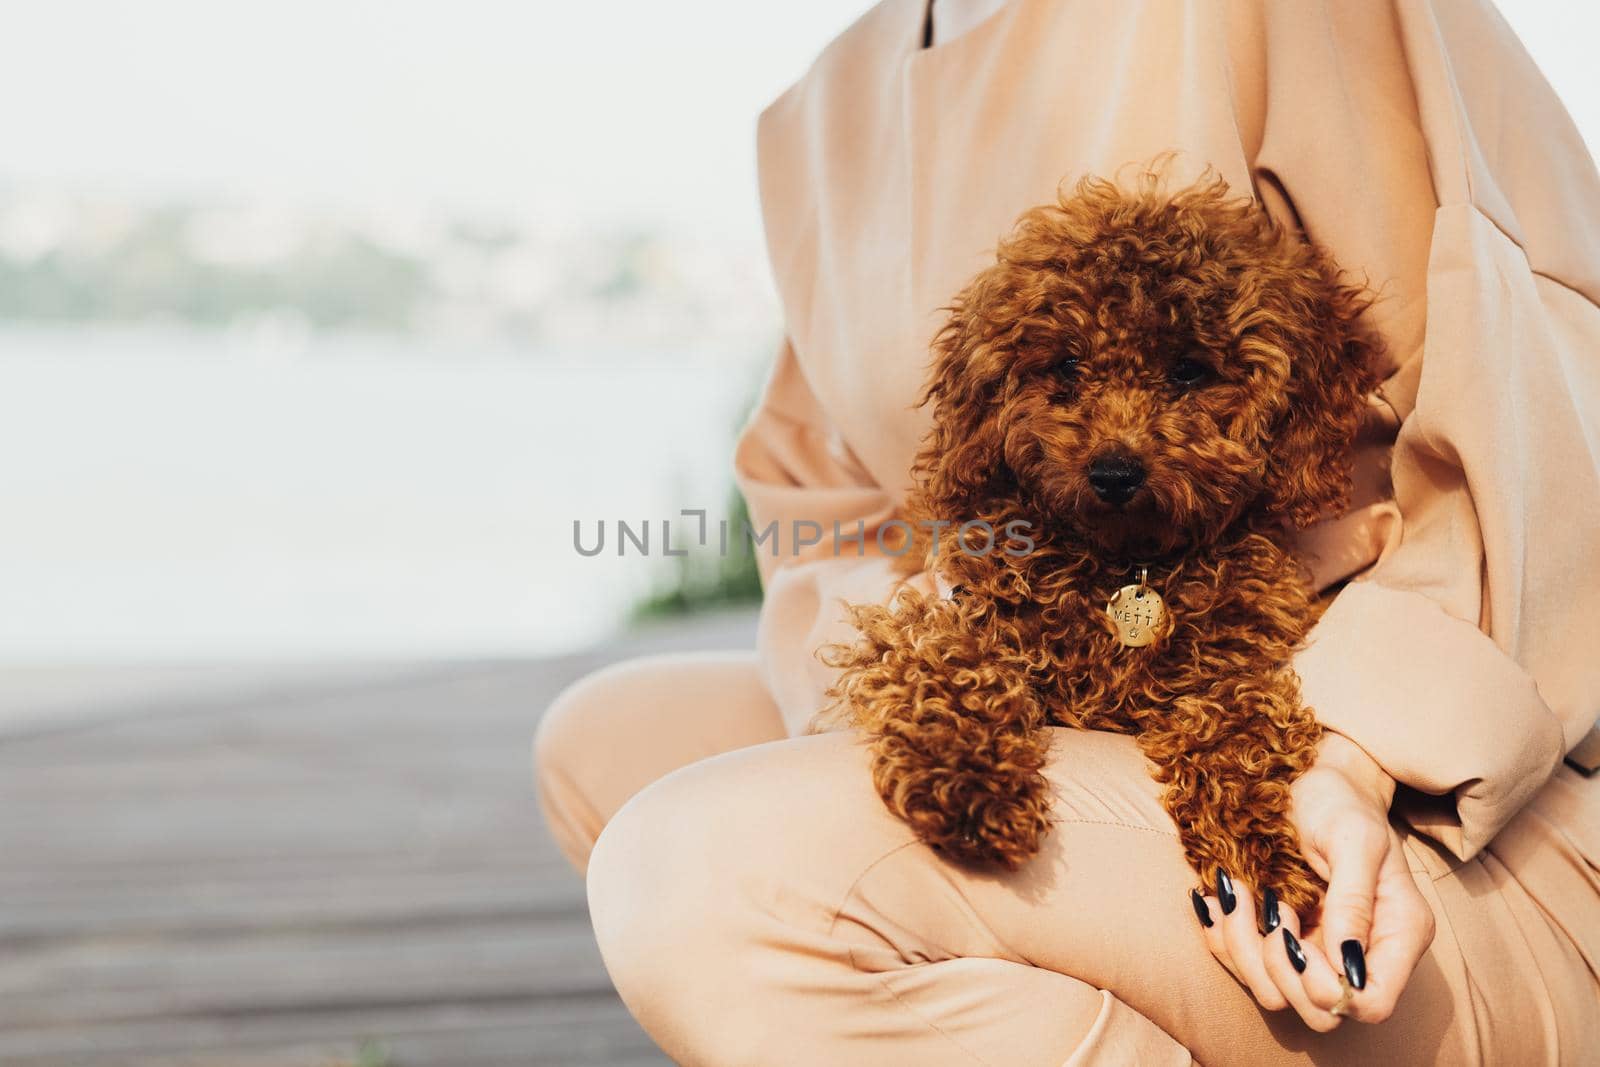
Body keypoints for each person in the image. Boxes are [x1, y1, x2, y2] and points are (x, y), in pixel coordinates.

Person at [535, 1, 1600, 1062]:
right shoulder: (823, 109)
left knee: (700, 870)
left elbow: (1544, 397)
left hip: (1420, 802)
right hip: (1051, 659)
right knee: (605, 744)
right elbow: (825, 504)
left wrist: (1357, 749)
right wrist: (941, 654)